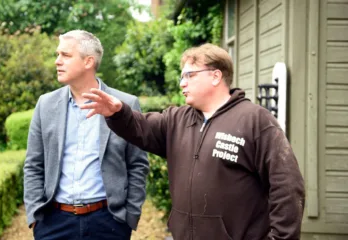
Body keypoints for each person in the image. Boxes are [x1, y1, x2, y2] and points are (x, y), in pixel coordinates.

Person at [80, 43, 305, 240]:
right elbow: (141, 127)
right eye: (182, 76)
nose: (182, 83)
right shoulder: (177, 119)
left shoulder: (255, 120)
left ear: (216, 76)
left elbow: (287, 185)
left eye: (189, 75)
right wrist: (117, 113)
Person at [23, 30, 149, 240]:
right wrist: (35, 215)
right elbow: (33, 164)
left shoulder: (125, 104)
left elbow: (137, 164)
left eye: (65, 55)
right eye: (57, 54)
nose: (57, 61)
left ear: (88, 61)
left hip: (109, 223)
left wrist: (130, 216)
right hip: (53, 223)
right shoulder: (45, 104)